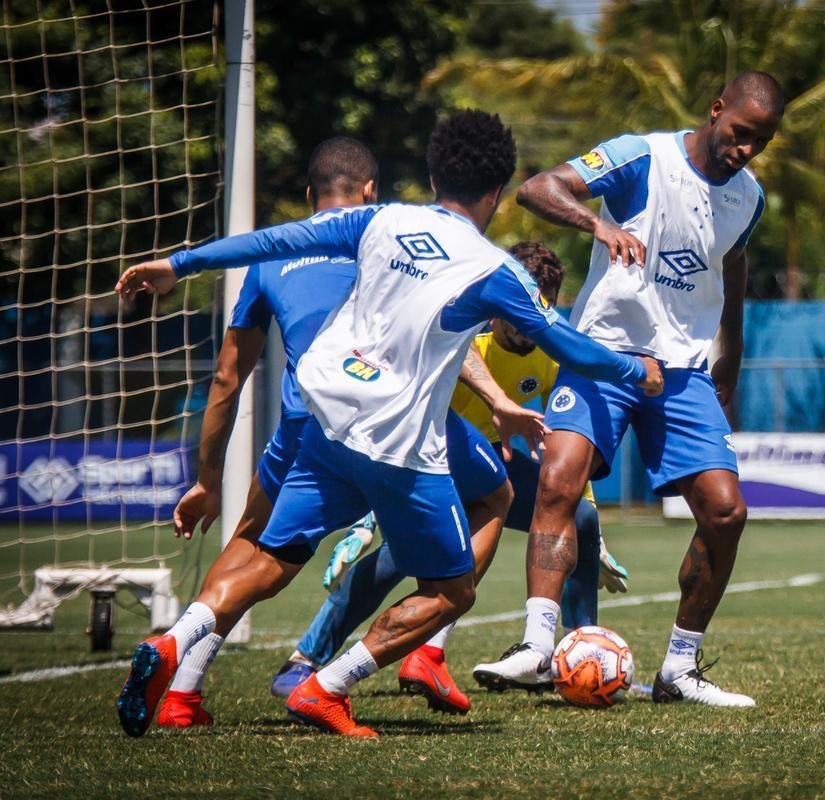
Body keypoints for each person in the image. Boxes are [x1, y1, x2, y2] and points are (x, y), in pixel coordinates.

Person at [114, 109, 663, 738]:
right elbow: (573, 348)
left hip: (326, 418)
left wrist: (179, 264)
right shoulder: (495, 271)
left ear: (432, 176)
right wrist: (637, 372)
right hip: (400, 443)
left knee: (272, 555)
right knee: (452, 590)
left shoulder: (382, 218)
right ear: (495, 192)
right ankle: (328, 685)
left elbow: (274, 242)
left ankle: (173, 643)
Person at [152, 136, 530, 729]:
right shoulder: (391, 236)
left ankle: (181, 687)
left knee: (256, 550)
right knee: (493, 496)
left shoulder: (271, 261)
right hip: (389, 416)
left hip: (305, 418)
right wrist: (500, 400)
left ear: (309, 196)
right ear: (372, 190)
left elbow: (227, 378)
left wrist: (205, 482)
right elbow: (433, 333)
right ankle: (420, 649)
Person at [472, 72, 784, 707]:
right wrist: (599, 225)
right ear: (716, 108)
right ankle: (536, 647)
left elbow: (734, 261)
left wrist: (735, 351)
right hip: (604, 353)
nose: (745, 149)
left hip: (685, 371)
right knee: (559, 480)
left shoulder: (748, 197)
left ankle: (680, 668)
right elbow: (540, 188)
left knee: (726, 513)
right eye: (741, 133)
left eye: (761, 141)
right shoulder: (643, 155)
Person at [269, 241, 633, 711]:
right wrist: (368, 520)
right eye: (517, 312)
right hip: (428, 468)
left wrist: (592, 528)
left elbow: (567, 446)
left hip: (492, 477)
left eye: (536, 312)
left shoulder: (549, 354)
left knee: (580, 519)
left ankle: (577, 654)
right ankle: (306, 658)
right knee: (396, 560)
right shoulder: (466, 346)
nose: (525, 326)